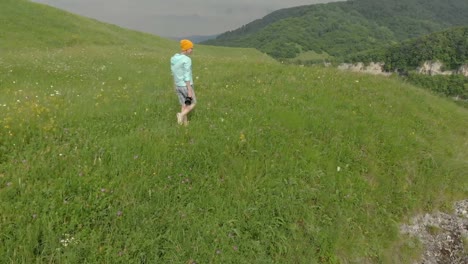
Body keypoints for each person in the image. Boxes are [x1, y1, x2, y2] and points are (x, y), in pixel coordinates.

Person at [170, 39, 196, 125]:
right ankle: (181, 115)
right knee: (192, 103)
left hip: (178, 85)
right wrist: (189, 88)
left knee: (184, 104)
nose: (192, 50)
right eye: (191, 48)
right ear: (186, 48)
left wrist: (174, 85)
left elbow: (173, 72)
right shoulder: (187, 59)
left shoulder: (173, 58)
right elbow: (187, 74)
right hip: (186, 85)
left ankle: (184, 123)